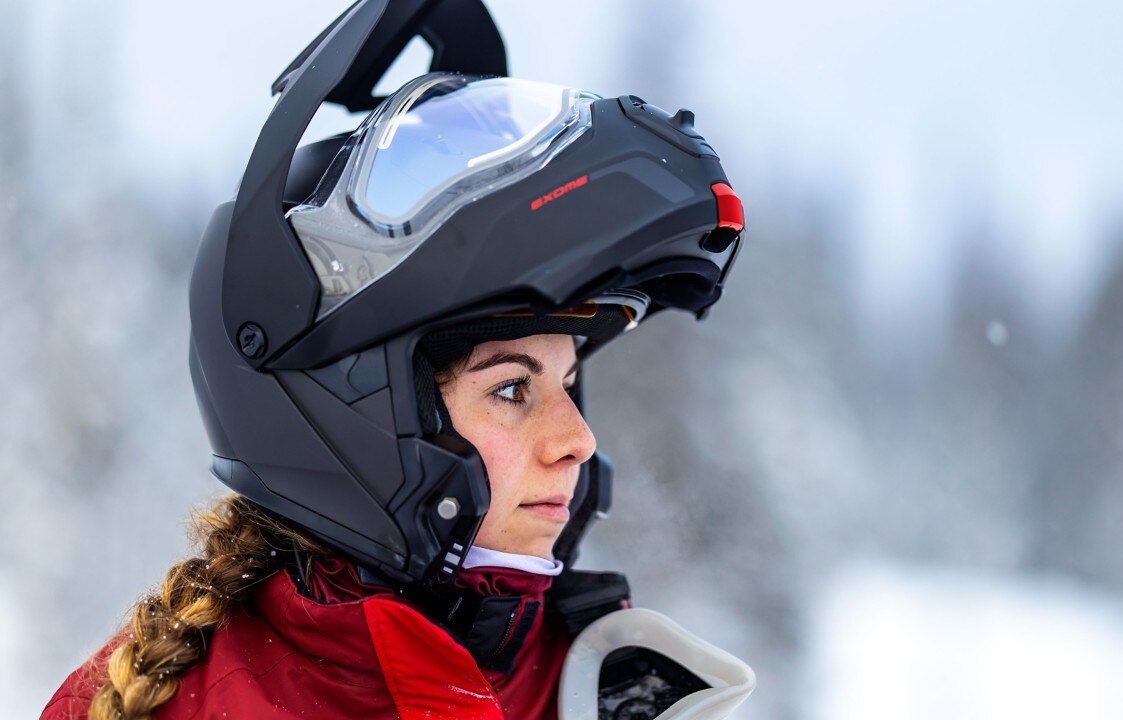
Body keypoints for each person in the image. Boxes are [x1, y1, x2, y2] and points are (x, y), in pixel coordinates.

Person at [41, 1, 749, 718]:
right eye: (511, 390)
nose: (579, 441)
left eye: (568, 383)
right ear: (355, 414)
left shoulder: (610, 689)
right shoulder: (164, 703)